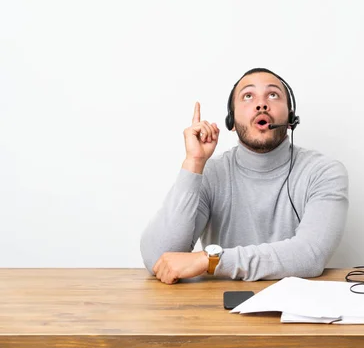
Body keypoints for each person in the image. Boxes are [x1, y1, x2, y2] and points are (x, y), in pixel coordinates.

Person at [140, 68, 349, 284]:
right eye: (248, 96)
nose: (261, 104)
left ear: (290, 117)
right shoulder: (211, 173)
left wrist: (212, 260)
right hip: (219, 309)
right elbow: (159, 259)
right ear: (231, 121)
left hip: (295, 310)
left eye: (273, 95)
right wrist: (193, 163)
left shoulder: (324, 172)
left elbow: (310, 255)